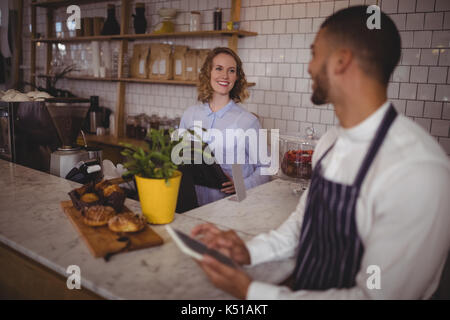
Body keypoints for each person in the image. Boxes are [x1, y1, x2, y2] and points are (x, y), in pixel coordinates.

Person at [191, 6, 450, 299]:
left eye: (315, 54)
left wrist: (251, 291)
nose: (309, 67)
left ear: (341, 61)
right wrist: (248, 251)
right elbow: (301, 227)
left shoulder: (418, 170)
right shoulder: (329, 143)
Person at [179, 47, 270, 206]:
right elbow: (180, 160)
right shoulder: (190, 115)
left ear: (237, 77)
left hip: (231, 208)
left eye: (231, 70)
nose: (225, 76)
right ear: (208, 73)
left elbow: (266, 168)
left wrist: (241, 185)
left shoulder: (247, 122)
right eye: (219, 68)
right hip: (192, 206)